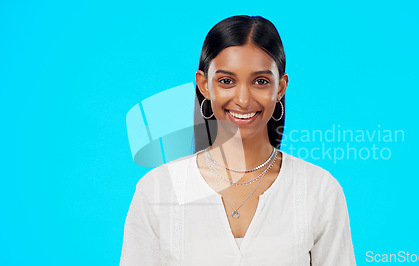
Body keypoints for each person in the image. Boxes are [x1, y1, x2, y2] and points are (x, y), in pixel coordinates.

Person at [120, 15, 356, 265]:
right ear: (204, 85)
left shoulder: (320, 191)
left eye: (261, 81)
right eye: (226, 81)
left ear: (280, 88)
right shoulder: (157, 189)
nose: (243, 99)